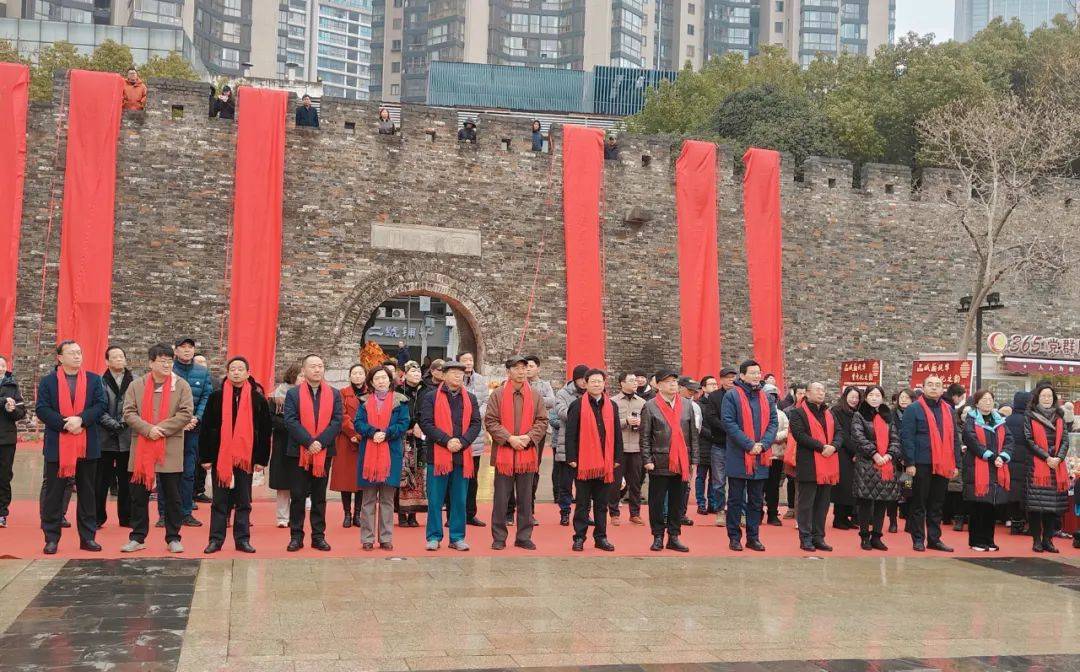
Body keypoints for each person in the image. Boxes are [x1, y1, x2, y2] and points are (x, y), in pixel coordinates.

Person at [36, 341, 107, 554]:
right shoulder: (48, 381)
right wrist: (66, 423)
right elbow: (42, 409)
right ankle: (51, 538)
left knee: (87, 493)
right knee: (54, 494)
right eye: (72, 353)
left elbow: (100, 405)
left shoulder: (94, 379)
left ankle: (88, 538)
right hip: (58, 444)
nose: (77, 356)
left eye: (79, 352)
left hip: (87, 444)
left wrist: (81, 420)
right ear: (60, 358)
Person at [122, 343, 194, 553]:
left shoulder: (181, 385)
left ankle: (173, 537)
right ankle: (137, 537)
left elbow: (185, 413)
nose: (167, 364)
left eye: (170, 361)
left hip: (169, 444)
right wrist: (147, 429)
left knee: (172, 495)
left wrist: (160, 429)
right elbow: (128, 412)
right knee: (138, 495)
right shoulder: (137, 385)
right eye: (162, 361)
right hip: (142, 445)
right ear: (151, 363)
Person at [198, 356, 271, 554]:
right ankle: (215, 540)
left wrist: (261, 459)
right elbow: (206, 428)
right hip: (221, 456)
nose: (236, 372)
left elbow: (265, 431)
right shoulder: (216, 397)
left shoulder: (257, 399)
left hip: (246, 458)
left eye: (240, 369)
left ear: (248, 373)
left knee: (244, 501)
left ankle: (242, 540)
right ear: (228, 373)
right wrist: (205, 457)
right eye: (233, 369)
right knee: (219, 501)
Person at [485, 356, 547, 550]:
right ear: (508, 372)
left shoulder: (535, 395)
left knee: (526, 498)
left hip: (527, 454)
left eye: (524, 368)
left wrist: (528, 438)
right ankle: (499, 537)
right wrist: (510, 438)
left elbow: (542, 421)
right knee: (501, 499)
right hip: (504, 453)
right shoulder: (498, 395)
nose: (521, 371)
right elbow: (490, 421)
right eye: (517, 368)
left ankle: (523, 536)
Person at [283, 354, 343, 552]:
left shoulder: (334, 394)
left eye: (320, 366)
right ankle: (296, 536)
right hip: (299, 452)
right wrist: (309, 442)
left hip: (324, 452)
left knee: (319, 496)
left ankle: (318, 536)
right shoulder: (293, 394)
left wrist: (320, 442)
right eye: (313, 366)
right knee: (298, 496)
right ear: (304, 370)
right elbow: (290, 421)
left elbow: (337, 421)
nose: (317, 369)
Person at [419, 360, 481, 551]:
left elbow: (476, 423)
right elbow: (426, 423)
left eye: (460, 373)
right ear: (444, 375)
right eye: (453, 372)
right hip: (438, 455)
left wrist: (462, 441)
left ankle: (457, 537)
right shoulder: (431, 397)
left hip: (462, 455)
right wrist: (446, 441)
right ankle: (434, 536)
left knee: (460, 499)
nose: (458, 376)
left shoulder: (470, 398)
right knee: (435, 499)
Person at [720, 360, 777, 552]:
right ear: (742, 375)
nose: (756, 376)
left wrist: (763, 444)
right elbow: (729, 423)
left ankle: (753, 537)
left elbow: (773, 423)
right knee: (736, 500)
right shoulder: (732, 395)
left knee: (756, 500)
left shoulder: (766, 397)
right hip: (739, 454)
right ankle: (734, 537)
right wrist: (749, 444)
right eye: (752, 373)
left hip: (760, 455)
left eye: (758, 373)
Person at [900, 374, 962, 552]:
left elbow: (954, 439)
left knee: (937, 504)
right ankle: (918, 539)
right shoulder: (913, 409)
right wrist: (910, 463)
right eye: (930, 384)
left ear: (943, 389)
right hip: (921, 463)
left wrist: (956, 464)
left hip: (943, 463)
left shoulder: (948, 410)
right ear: (923, 387)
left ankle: (934, 539)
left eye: (938, 385)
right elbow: (907, 438)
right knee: (919, 503)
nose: (934, 387)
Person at [564, 368, 623, 552]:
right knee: (582, 504)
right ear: (586, 383)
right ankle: (579, 537)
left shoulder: (612, 406)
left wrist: (617, 457)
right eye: (593, 381)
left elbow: (617, 433)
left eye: (600, 381)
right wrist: (571, 457)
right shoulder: (577, 405)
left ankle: (601, 537)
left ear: (604, 383)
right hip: (583, 462)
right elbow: (570, 433)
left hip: (606, 462)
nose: (597, 384)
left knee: (601, 504)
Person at [355, 366, 411, 551]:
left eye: (384, 377)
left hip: (391, 453)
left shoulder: (400, 401)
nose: (381, 381)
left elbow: (404, 424)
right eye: (377, 378)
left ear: (390, 380)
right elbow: (358, 423)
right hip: (369, 454)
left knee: (387, 500)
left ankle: (386, 538)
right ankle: (367, 538)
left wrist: (386, 433)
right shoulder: (364, 401)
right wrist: (373, 433)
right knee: (368, 500)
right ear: (371, 382)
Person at [640, 370, 696, 552]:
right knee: (657, 502)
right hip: (659, 460)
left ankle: (674, 536)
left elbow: (693, 434)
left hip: (682, 461)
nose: (673, 384)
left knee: (677, 502)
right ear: (658, 385)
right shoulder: (650, 406)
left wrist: (694, 458)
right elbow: (645, 436)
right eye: (668, 381)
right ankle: (657, 535)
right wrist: (647, 459)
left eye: (674, 381)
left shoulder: (686, 405)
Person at [164, 337, 212, 529]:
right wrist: (178, 421)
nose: (187, 350)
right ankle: (164, 514)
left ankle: (185, 512)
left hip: (193, 429)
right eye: (183, 347)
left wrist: (196, 418)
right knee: (166, 471)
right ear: (175, 350)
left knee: (188, 471)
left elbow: (206, 397)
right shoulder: (168, 370)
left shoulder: (203, 372)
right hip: (170, 429)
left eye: (190, 347)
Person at [789, 382, 841, 552]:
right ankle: (805, 538)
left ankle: (819, 537)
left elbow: (839, 433)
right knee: (806, 504)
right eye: (817, 390)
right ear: (807, 393)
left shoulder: (829, 413)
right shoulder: (798, 413)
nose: (821, 393)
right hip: (809, 464)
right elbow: (799, 434)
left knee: (822, 504)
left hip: (828, 465)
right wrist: (822, 447)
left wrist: (833, 446)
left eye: (823, 390)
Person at [850, 385, 903, 551]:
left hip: (886, 464)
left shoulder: (888, 415)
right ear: (866, 397)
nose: (874, 398)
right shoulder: (859, 415)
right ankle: (864, 536)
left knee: (882, 502)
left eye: (878, 395)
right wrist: (874, 453)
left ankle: (877, 536)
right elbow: (858, 437)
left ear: (882, 398)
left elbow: (895, 438)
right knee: (866, 502)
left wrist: (889, 455)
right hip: (867, 464)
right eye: (871, 395)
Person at [960, 390, 1012, 552]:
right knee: (978, 506)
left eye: (990, 399)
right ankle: (976, 540)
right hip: (977, 467)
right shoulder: (971, 421)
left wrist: (1003, 456)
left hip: (996, 467)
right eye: (984, 399)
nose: (988, 402)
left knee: (991, 505)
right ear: (977, 403)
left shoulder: (1000, 421)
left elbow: (1009, 440)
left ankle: (989, 539)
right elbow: (972, 441)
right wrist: (991, 456)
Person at [1022, 382, 1069, 553]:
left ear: (1054, 398)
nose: (1047, 398)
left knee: (1053, 508)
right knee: (1036, 506)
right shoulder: (1030, 415)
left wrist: (1059, 458)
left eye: (1050, 396)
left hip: (1056, 465)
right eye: (1043, 396)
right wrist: (1046, 457)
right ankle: (1036, 540)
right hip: (1037, 465)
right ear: (1037, 398)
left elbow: (1065, 440)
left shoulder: (1060, 416)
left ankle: (1048, 540)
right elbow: (1028, 439)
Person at [95, 346, 133, 529]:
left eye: (121, 356)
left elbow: (137, 405)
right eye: (115, 357)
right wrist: (112, 424)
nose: (119, 359)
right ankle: (97, 517)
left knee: (127, 481)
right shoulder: (99, 382)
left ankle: (126, 517)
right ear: (107, 361)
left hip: (127, 437)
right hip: (105, 437)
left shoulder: (135, 381)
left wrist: (124, 422)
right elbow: (97, 406)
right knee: (101, 481)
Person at [331, 364, 366, 528]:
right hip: (346, 439)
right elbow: (341, 416)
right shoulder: (342, 393)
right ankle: (347, 513)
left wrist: (361, 434)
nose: (357, 376)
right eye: (354, 373)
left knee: (361, 480)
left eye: (360, 373)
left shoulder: (371, 393)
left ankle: (358, 514)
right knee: (345, 479)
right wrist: (352, 433)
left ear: (365, 376)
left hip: (364, 439)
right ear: (350, 376)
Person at [553, 365, 588, 526]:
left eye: (586, 379)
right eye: (581, 379)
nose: (584, 382)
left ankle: (584, 513)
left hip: (587, 444)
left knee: (586, 484)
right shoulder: (563, 393)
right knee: (565, 483)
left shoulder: (592, 393)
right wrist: (585, 415)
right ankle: (565, 512)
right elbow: (562, 413)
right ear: (575, 379)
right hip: (567, 443)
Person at [701, 366, 736, 527]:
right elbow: (711, 418)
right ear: (721, 380)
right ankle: (720, 510)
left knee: (738, 481)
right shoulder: (714, 396)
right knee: (718, 481)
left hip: (737, 445)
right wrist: (730, 429)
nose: (731, 379)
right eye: (728, 377)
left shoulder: (740, 394)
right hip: (720, 444)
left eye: (733, 377)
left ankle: (738, 512)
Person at [269, 362, 302, 527]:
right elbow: (270, 418)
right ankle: (282, 517)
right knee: (282, 482)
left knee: (300, 481)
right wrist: (290, 424)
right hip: (282, 441)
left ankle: (297, 516)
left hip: (302, 442)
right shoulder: (276, 395)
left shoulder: (309, 394)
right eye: (300, 375)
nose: (303, 379)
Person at [459, 352, 489, 527]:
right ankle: (454, 514)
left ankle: (470, 513)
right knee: (455, 477)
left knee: (473, 477)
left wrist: (475, 414)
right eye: (465, 360)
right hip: (457, 434)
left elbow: (486, 401)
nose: (469, 363)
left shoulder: (480, 380)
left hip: (475, 434)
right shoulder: (455, 378)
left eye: (470, 360)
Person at [612, 372, 645, 525]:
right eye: (631, 380)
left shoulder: (642, 402)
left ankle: (635, 513)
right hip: (619, 448)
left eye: (636, 380)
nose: (635, 383)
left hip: (637, 448)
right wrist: (625, 421)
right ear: (622, 383)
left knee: (636, 483)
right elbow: (609, 424)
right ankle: (614, 513)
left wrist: (640, 423)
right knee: (615, 483)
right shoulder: (613, 402)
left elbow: (648, 424)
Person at [397, 362, 427, 527]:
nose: (416, 374)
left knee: (418, 474)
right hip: (402, 437)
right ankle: (401, 513)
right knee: (402, 474)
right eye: (413, 371)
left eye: (418, 371)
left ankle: (413, 514)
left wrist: (419, 425)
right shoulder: (397, 391)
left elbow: (428, 412)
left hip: (420, 439)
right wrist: (408, 426)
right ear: (405, 374)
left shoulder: (426, 391)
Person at [0, 354, 26, 528]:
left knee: (4, 476)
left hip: (6, 438)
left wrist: (12, 410)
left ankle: (2, 512)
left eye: (2, 365)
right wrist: (3, 401)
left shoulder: (13, 386)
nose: (0, 368)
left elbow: (21, 411)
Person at [830, 386, 861, 529]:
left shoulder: (858, 412)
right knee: (842, 487)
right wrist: (854, 451)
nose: (854, 400)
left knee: (852, 487)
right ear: (845, 396)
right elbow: (841, 433)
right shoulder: (837, 411)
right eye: (851, 397)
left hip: (856, 454)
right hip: (842, 452)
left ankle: (847, 517)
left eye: (857, 397)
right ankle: (838, 518)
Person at [1005, 390, 1032, 536]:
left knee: (1012, 491)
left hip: (1010, 459)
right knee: (1025, 492)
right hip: (1026, 460)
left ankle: (1015, 523)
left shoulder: (1007, 420)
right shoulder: (1030, 420)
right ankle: (1025, 522)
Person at [762, 383, 789, 526]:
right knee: (759, 486)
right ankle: (757, 512)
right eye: (769, 395)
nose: (771, 398)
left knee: (773, 487)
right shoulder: (758, 412)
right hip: (760, 455)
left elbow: (787, 430)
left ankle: (772, 513)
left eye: (774, 396)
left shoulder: (781, 414)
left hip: (777, 455)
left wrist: (774, 437)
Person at [887, 389, 914, 533]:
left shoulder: (915, 414)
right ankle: (893, 521)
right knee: (893, 491)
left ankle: (909, 521)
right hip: (894, 459)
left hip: (909, 461)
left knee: (908, 489)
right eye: (901, 397)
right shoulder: (890, 415)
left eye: (907, 398)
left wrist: (908, 458)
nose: (903, 400)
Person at [694, 376, 719, 516]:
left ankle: (712, 503)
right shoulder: (698, 404)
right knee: (701, 476)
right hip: (703, 443)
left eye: (715, 384)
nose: (715, 386)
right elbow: (698, 426)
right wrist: (712, 435)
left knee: (714, 477)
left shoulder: (720, 401)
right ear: (703, 388)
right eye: (711, 384)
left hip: (717, 443)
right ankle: (701, 503)